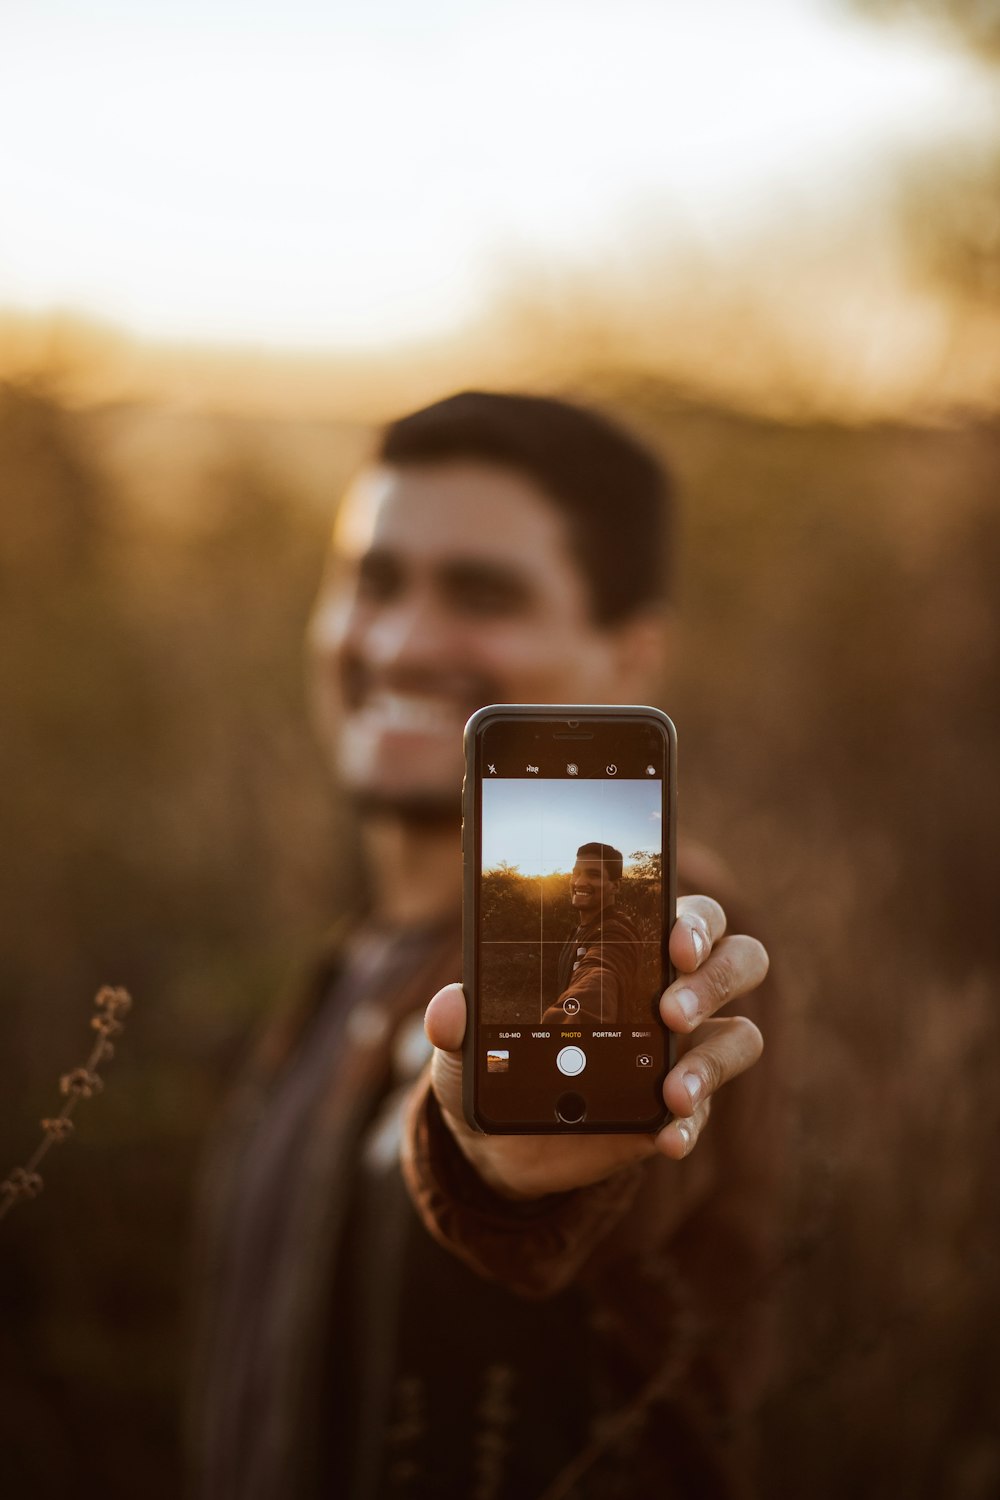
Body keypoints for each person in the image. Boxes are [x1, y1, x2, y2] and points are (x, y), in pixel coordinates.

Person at [188, 391, 781, 1500]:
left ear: (629, 654)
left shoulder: (661, 937)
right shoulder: (346, 967)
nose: (403, 641)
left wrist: (508, 1175)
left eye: (482, 593)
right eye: (373, 580)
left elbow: (574, 1187)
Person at [542, 842, 643, 1026]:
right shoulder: (581, 930)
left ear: (616, 886)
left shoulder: (617, 935)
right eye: (576, 873)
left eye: (594, 874)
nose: (579, 882)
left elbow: (599, 976)